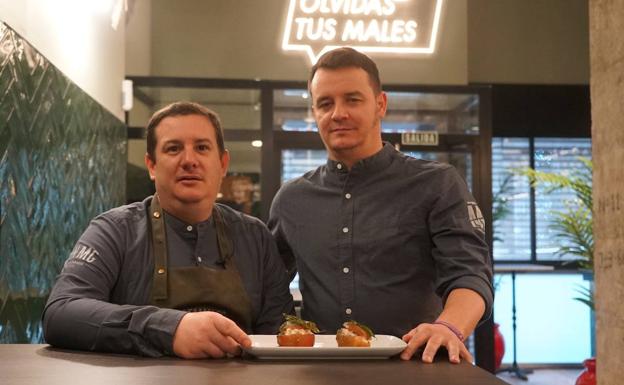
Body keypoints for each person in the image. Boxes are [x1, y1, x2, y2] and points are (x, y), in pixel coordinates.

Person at [268, 48, 493, 364]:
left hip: (416, 366)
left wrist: (449, 327)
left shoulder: (437, 183)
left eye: (353, 99)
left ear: (380, 104)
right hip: (321, 372)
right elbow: (267, 290)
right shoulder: (291, 200)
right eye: (325, 103)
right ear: (315, 113)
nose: (338, 113)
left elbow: (470, 275)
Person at [43, 102, 294, 358]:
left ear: (223, 163)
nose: (189, 160)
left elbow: (281, 332)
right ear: (152, 165)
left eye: (202, 147)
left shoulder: (255, 237)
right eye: (173, 149)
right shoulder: (114, 231)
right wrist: (169, 329)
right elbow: (61, 313)